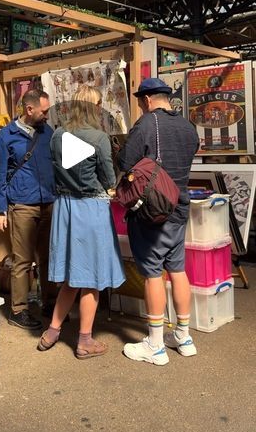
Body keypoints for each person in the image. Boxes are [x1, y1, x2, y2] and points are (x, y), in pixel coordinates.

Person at [37, 85, 125, 359]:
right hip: (90, 209)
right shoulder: (99, 138)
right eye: (98, 104)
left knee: (71, 277)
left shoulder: (57, 136)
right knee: (92, 279)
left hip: (64, 209)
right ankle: (84, 341)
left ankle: (52, 331)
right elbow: (110, 181)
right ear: (93, 107)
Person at [117, 77, 199, 365]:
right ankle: (183, 337)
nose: (141, 106)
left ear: (148, 100)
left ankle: (154, 344)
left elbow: (125, 161)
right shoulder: (188, 126)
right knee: (177, 269)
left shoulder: (147, 123)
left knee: (153, 273)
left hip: (153, 210)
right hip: (180, 206)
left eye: (141, 102)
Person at [0, 89, 56, 330]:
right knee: (23, 260)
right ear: (30, 109)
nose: (47, 115)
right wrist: (0, 210)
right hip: (22, 205)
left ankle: (50, 302)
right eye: (44, 111)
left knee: (49, 256)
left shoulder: (47, 133)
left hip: (49, 202)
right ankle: (19, 310)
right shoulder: (6, 136)